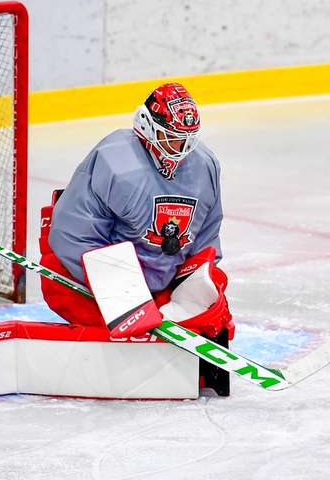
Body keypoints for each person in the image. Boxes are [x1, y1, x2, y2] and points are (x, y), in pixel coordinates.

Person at [39, 82, 234, 395]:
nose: (181, 149)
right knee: (124, 325)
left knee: (213, 314)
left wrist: (194, 286)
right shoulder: (114, 160)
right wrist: (122, 294)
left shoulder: (205, 165)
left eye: (188, 139)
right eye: (173, 138)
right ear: (147, 125)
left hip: (159, 282)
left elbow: (206, 237)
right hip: (89, 277)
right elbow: (72, 235)